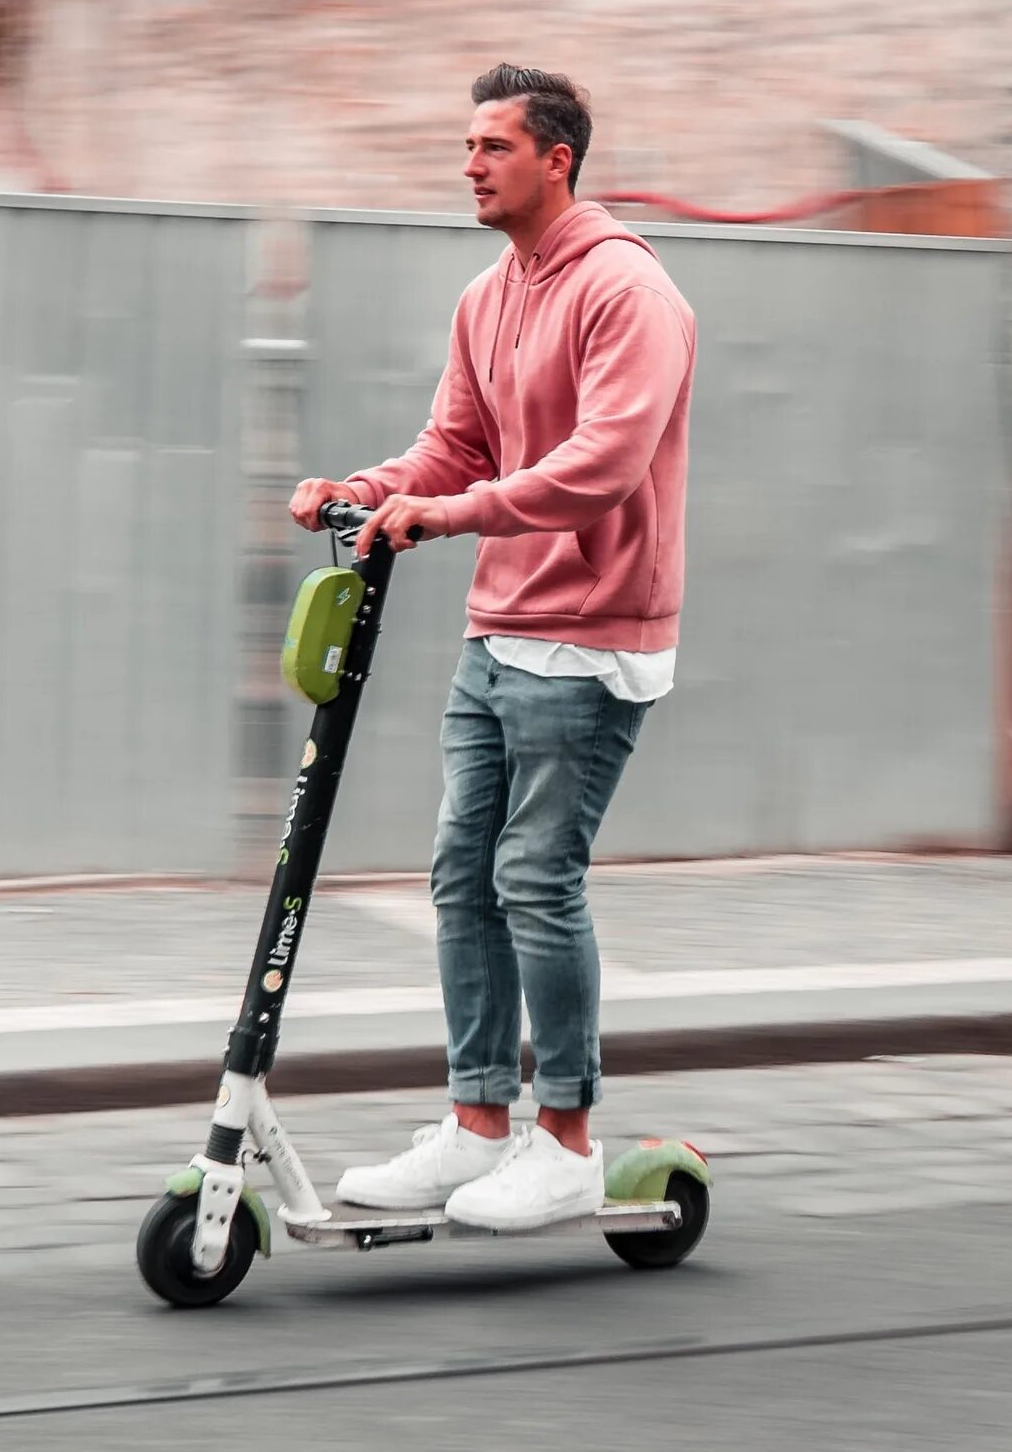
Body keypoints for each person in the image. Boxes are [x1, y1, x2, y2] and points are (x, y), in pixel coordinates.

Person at [290, 64, 698, 1229]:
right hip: (500, 629)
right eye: (466, 145)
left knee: (535, 875)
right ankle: (477, 1124)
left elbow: (603, 465)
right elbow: (453, 443)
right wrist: (365, 489)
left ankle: (564, 1135)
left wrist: (452, 515)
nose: (469, 163)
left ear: (555, 158)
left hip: (594, 632)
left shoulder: (628, 291)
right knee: (459, 875)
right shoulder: (489, 294)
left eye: (492, 146)